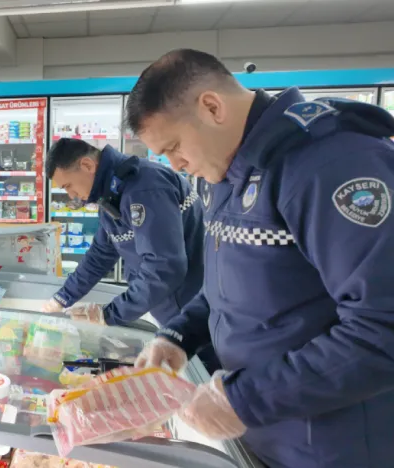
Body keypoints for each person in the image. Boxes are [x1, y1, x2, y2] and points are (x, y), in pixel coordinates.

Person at [129, 49, 394, 468]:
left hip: (330, 448)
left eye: (175, 146)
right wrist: (177, 335)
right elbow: (229, 286)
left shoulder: (331, 164)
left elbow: (383, 327)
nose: (175, 164)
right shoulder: (224, 172)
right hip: (263, 435)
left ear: (212, 107)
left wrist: (246, 398)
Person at [42, 138, 206, 333]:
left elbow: (164, 266)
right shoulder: (112, 193)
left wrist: (111, 313)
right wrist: (62, 298)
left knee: (204, 363)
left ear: (87, 165)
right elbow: (100, 254)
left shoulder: (144, 188)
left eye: (68, 185)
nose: (71, 195)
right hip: (169, 305)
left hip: (191, 310)